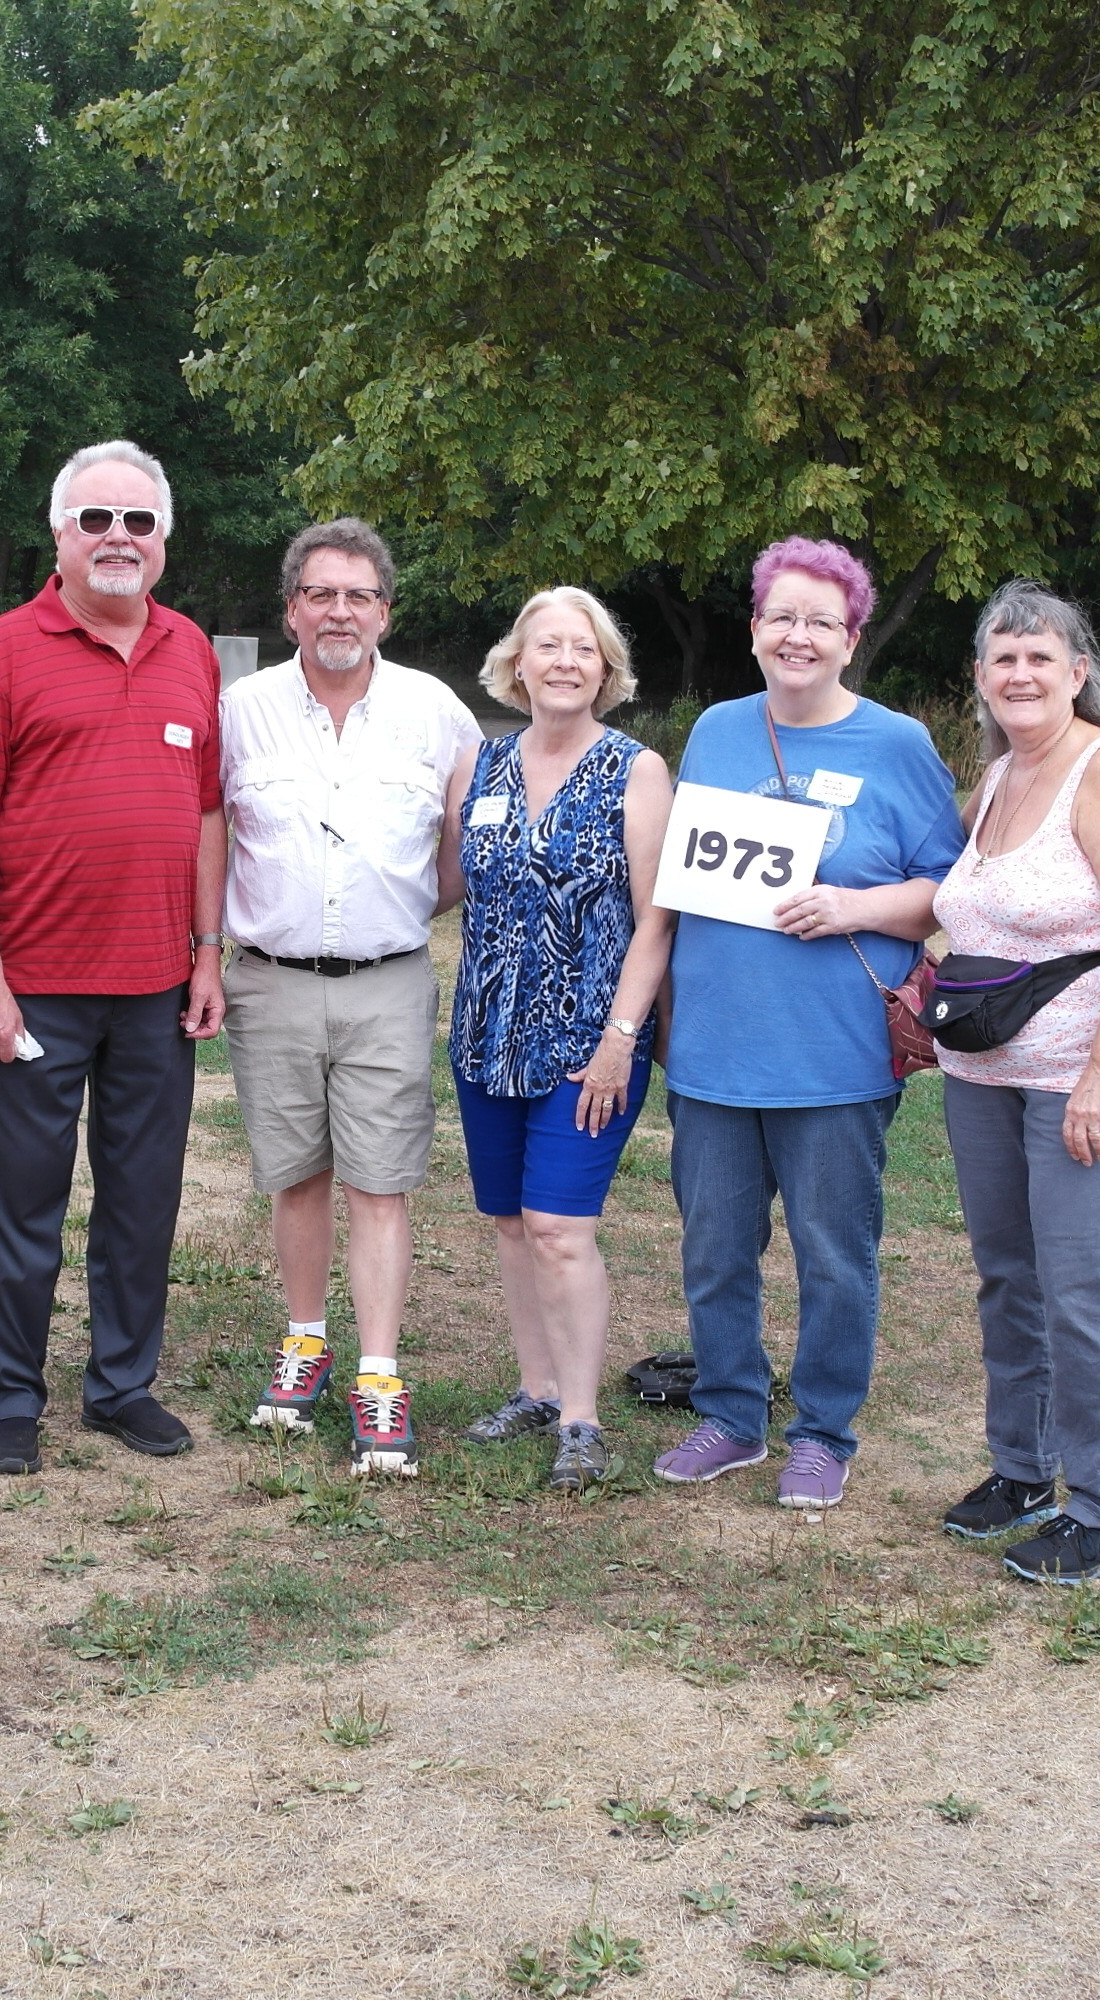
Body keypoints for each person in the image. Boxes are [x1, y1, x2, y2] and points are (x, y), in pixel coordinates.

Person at [652, 537, 965, 1510]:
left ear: (850, 639)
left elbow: (952, 890)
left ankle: (824, 1432)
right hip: (713, 1049)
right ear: (754, 629)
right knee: (713, 1250)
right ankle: (729, 1414)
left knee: (833, 1256)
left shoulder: (897, 744)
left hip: (833, 1054)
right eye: (781, 616)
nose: (798, 635)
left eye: (820, 621)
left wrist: (853, 906)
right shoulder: (715, 731)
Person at [0, 441, 225, 1476]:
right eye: (94, 518)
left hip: (156, 988)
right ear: (59, 533)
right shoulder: (2, 651)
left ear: (162, 539)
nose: (117, 538)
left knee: (142, 1201)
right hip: (35, 985)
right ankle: (12, 1396)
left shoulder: (191, 648)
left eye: (138, 521)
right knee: (20, 1204)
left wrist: (205, 952)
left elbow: (205, 813)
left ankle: (121, 1386)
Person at [934, 581, 1100, 1583]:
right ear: (979, 676)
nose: (1020, 673)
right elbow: (953, 896)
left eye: (1039, 656)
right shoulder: (1001, 772)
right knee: (1008, 1276)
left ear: (1077, 672)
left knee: (1081, 1288)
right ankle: (1022, 1469)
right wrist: (842, 905)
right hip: (985, 1071)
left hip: (1089, 1080)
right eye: (1002, 658)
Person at [220, 519, 481, 1476]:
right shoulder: (240, 709)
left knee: (380, 1180)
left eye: (358, 596)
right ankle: (304, 1342)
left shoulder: (435, 711)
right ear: (291, 609)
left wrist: (397, 908)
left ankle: (378, 1373)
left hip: (387, 982)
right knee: (296, 1176)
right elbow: (209, 832)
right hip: (271, 982)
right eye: (321, 594)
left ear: (385, 612)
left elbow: (460, 843)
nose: (340, 612)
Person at [447, 589, 674, 1490]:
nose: (566, 662)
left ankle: (581, 1419)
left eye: (585, 649)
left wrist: (622, 1038)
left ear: (606, 669)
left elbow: (657, 919)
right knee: (512, 1223)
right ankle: (536, 1390)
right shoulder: (482, 763)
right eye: (549, 646)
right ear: (518, 662)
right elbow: (450, 884)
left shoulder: (635, 770)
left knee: (560, 1228)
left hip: (588, 1045)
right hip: (485, 1035)